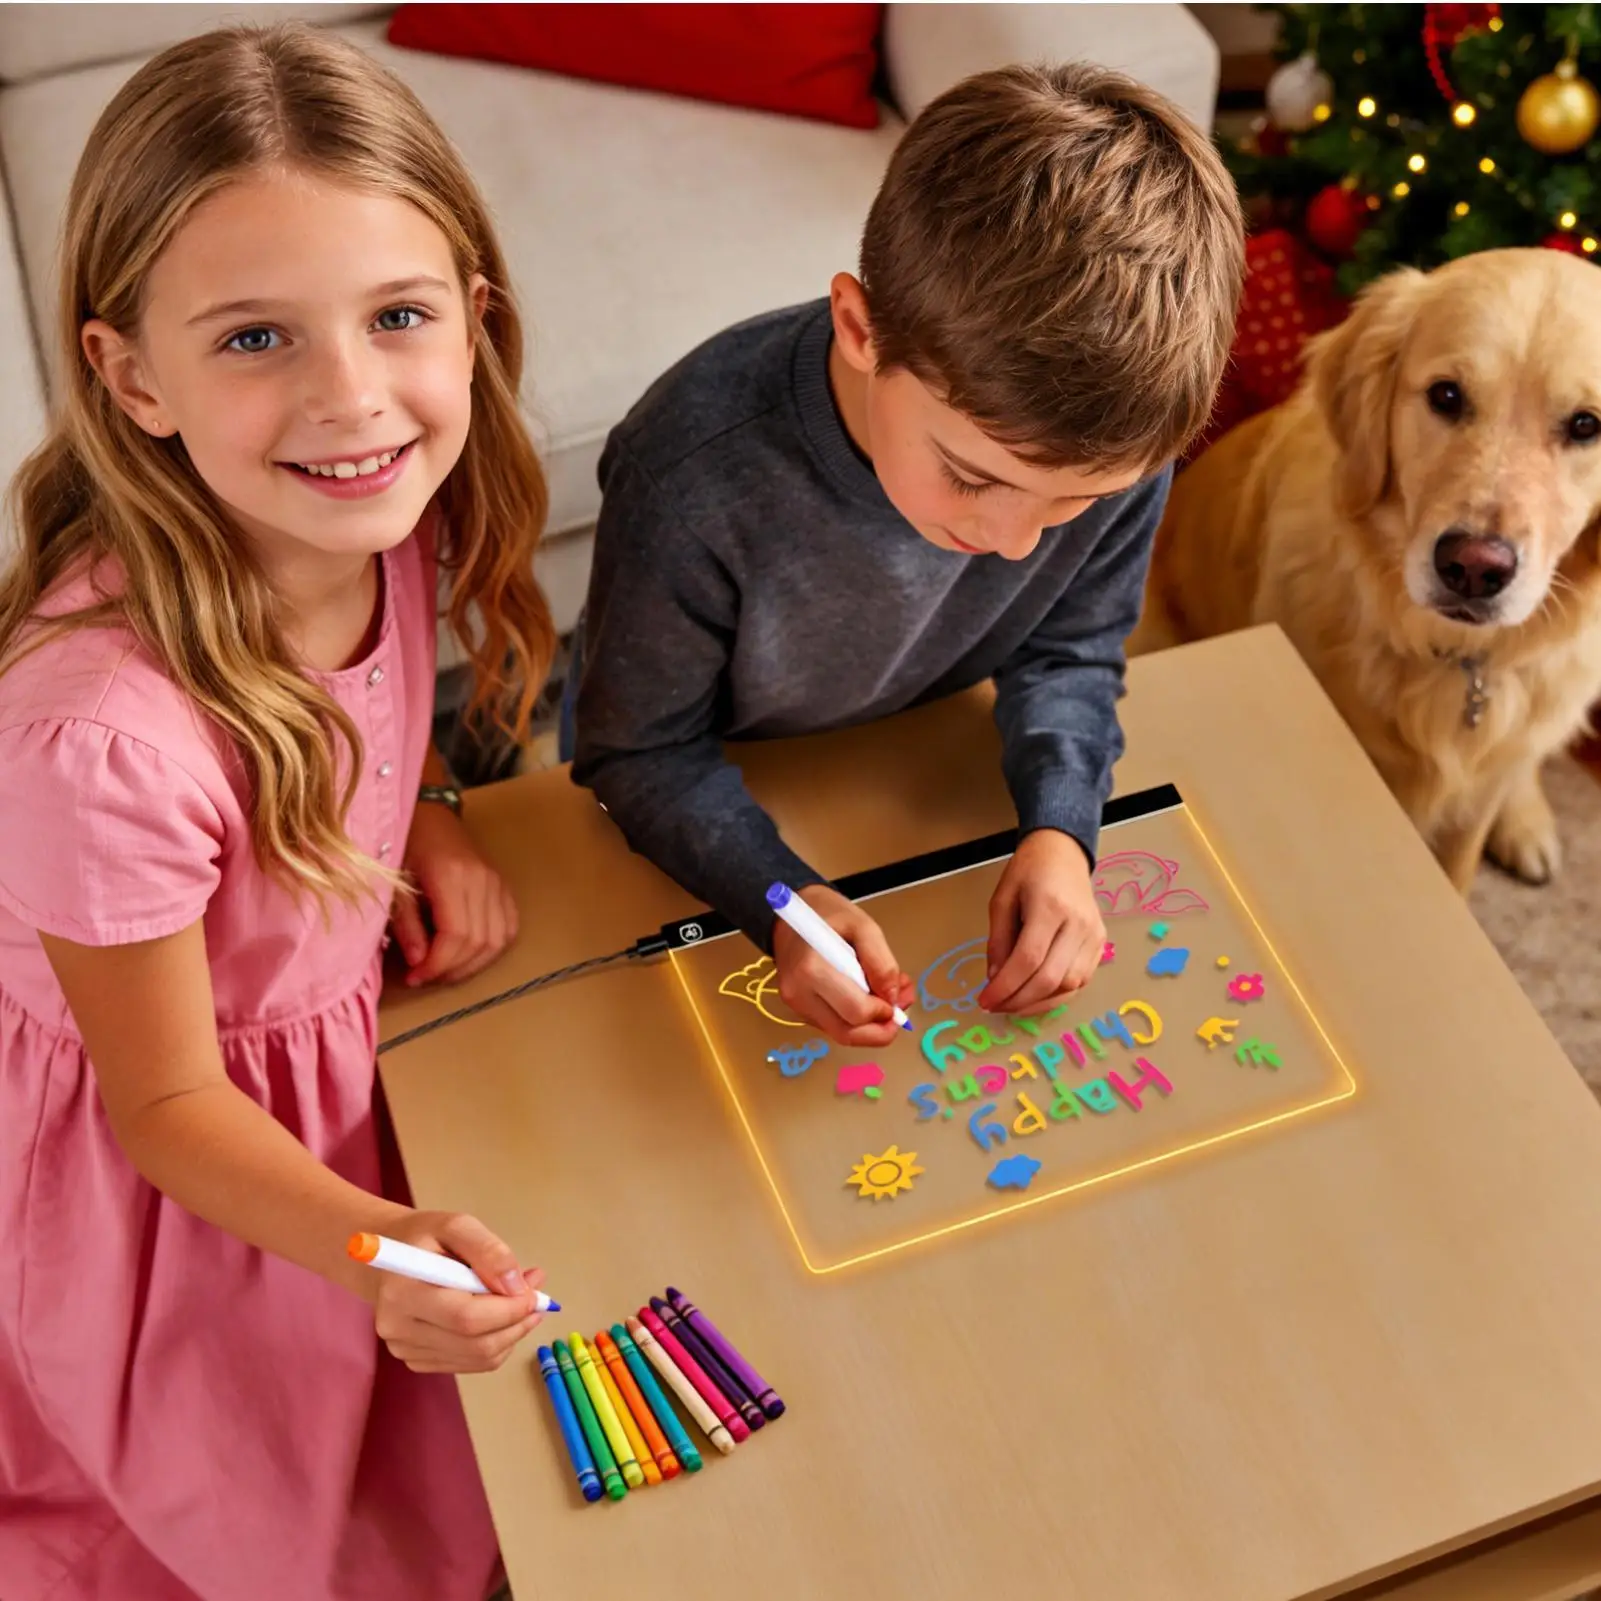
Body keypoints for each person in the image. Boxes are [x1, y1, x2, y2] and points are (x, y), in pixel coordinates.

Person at [0, 25, 554, 1601]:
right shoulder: (95, 739)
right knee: (256, 1514)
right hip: (178, 1179)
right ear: (130, 377)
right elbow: (165, 1112)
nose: (351, 397)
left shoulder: (380, 515)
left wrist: (422, 811)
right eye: (255, 340)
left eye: (396, 317)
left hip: (337, 1089)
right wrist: (383, 1248)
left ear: (473, 324)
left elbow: (359, 733)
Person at [571, 63, 1245, 1048]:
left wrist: (1061, 831)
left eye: (1077, 503)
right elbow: (637, 752)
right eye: (971, 478)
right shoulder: (691, 472)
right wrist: (780, 899)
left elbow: (1068, 651)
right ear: (858, 328)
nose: (1014, 541)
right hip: (699, 797)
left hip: (910, 773)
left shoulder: (1117, 442)